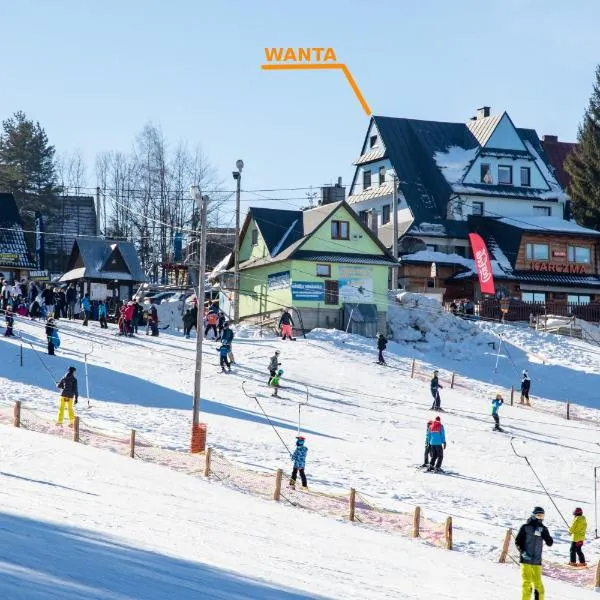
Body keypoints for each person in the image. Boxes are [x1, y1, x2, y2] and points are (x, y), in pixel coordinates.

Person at [515, 507, 553, 600]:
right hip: (525, 560)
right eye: (538, 515)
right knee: (527, 583)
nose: (540, 518)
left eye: (542, 516)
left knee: (538, 585)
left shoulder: (543, 529)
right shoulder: (525, 527)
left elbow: (550, 543)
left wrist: (544, 534)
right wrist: (522, 551)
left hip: (536, 561)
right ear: (533, 515)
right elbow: (518, 541)